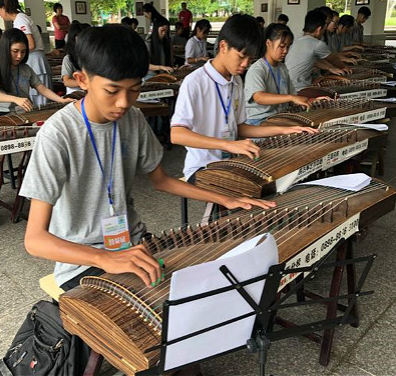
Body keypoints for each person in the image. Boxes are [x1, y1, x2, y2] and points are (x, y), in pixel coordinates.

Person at [19, 24, 272, 293]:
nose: (123, 102)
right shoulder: (57, 134)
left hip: (134, 243)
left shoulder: (133, 119)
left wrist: (225, 199)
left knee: (212, 283)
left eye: (134, 90)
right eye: (112, 90)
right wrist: (104, 258)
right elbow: (34, 240)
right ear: (82, 80)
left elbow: (162, 180)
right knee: (158, 306)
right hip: (83, 262)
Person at [171, 14, 317, 183]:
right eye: (241, 56)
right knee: (254, 190)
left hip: (231, 162)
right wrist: (227, 144)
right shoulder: (195, 82)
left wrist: (284, 130)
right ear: (223, 46)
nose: (245, 64)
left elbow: (240, 128)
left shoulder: (236, 81)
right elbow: (177, 134)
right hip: (202, 167)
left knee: (281, 178)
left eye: (250, 59)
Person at [0, 28, 76, 125]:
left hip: (25, 114)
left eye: (23, 52)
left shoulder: (25, 69)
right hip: (3, 116)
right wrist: (15, 99)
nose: (19, 56)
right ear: (5, 49)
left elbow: (42, 88)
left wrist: (61, 100)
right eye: (15, 51)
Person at [0, 0, 52, 108]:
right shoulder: (19, 20)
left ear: (4, 8)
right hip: (33, 61)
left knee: (40, 102)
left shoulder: (20, 20)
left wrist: (13, 54)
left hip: (35, 62)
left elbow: (30, 44)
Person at [244, 23, 312, 125]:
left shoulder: (282, 68)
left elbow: (293, 96)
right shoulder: (257, 69)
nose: (285, 51)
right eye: (282, 46)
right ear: (268, 43)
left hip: (278, 116)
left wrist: (311, 101)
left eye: (288, 47)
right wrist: (291, 97)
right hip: (259, 121)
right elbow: (259, 97)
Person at [284, 9, 348, 91]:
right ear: (319, 30)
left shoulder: (297, 40)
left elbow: (312, 60)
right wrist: (345, 67)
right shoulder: (317, 44)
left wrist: (330, 68)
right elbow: (334, 60)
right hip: (299, 89)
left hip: (286, 86)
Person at [62, 22, 91, 94]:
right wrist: (86, 83)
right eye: (79, 37)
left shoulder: (93, 56)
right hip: (76, 93)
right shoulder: (68, 59)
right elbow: (66, 82)